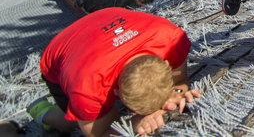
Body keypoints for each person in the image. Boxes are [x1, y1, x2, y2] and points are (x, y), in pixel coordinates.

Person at [32, 8, 200, 137]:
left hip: (103, 22)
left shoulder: (170, 40)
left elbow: (180, 81)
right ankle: (42, 112)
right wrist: (133, 123)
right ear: (116, 92)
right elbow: (96, 134)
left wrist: (177, 92)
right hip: (60, 52)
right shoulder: (86, 87)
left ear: (166, 63)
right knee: (74, 123)